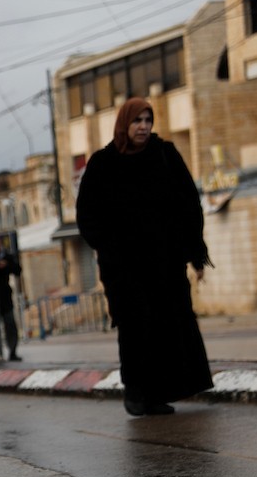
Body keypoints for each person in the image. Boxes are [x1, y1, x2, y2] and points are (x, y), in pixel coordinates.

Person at [77, 97, 212, 416]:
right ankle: (137, 394)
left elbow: (188, 205)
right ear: (125, 123)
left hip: (165, 264)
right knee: (136, 327)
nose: (144, 126)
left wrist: (195, 252)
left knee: (168, 325)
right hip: (123, 269)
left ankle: (159, 393)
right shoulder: (103, 163)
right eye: (137, 120)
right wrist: (109, 247)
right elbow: (87, 215)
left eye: (148, 120)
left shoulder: (165, 155)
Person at [0, 238, 23, 361]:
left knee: (10, 324)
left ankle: (12, 351)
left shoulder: (7, 257)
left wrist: (7, 266)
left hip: (5, 297)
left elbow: (17, 270)